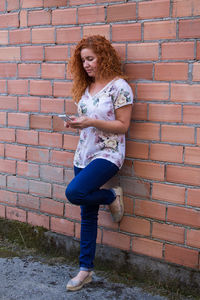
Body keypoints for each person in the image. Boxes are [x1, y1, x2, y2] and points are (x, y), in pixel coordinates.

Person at [64, 35, 133, 292]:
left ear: (103, 56)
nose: (86, 65)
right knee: (86, 213)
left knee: (75, 192)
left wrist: (90, 121)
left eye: (90, 58)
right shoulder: (85, 88)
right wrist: (75, 122)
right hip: (84, 153)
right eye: (83, 60)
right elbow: (86, 119)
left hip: (108, 154)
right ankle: (85, 270)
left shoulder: (120, 87)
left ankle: (111, 197)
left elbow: (123, 126)